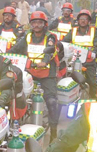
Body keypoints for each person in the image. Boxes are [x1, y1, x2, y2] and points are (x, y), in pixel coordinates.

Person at [10, 11, 61, 139]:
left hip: (47, 74)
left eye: (39, 22)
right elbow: (16, 48)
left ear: (45, 24)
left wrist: (44, 61)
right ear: (31, 24)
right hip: (29, 73)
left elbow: (49, 51)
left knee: (51, 101)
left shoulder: (51, 37)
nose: (37, 25)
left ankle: (53, 132)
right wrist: (4, 57)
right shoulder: (27, 36)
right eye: (34, 22)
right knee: (15, 94)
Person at [62, 9, 97, 97]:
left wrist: (94, 52)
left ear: (89, 21)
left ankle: (93, 100)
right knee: (64, 79)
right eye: (81, 18)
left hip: (88, 62)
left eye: (85, 19)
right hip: (73, 62)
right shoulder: (73, 31)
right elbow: (65, 42)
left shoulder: (94, 31)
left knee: (92, 82)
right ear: (78, 20)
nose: (83, 21)